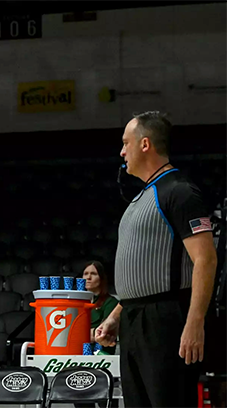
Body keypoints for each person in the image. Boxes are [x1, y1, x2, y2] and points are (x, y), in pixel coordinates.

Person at [95, 111, 218, 408]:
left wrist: (194, 323)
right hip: (135, 321)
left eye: (126, 143)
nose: (122, 151)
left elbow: (206, 260)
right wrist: (116, 315)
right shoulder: (141, 198)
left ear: (145, 144)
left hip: (166, 320)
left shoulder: (180, 192)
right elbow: (142, 272)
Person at [74, 261, 118, 408]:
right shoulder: (76, 303)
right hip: (79, 359)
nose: (88, 277)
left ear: (102, 278)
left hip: (102, 357)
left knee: (106, 402)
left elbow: (103, 334)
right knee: (81, 401)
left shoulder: (111, 302)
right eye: (85, 274)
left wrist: (79, 335)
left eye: (93, 274)